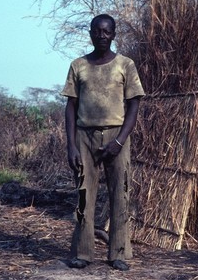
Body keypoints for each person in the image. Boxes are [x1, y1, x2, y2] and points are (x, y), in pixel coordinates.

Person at [61, 14, 145, 271]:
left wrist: (119, 142)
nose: (102, 36)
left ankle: (118, 253)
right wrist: (71, 145)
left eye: (107, 32)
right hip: (84, 136)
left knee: (120, 194)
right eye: (97, 31)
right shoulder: (78, 66)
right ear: (90, 33)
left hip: (116, 136)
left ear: (114, 34)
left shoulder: (125, 65)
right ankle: (83, 253)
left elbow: (134, 105)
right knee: (84, 196)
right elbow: (70, 106)